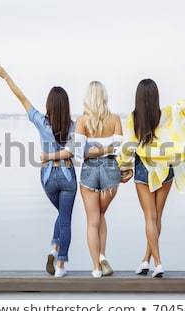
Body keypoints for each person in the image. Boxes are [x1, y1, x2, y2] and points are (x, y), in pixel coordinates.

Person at [119, 67, 185, 277]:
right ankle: (146, 260)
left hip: (143, 168)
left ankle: (157, 262)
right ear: (156, 97)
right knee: (157, 217)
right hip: (165, 167)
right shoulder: (168, 113)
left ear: (138, 98)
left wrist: (123, 169)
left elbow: (127, 147)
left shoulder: (132, 119)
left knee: (149, 218)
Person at [0, 62, 77, 278]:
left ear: (49, 104)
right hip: (67, 175)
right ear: (66, 105)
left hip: (48, 177)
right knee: (65, 218)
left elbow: (22, 97)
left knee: (61, 215)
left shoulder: (40, 121)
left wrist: (6, 77)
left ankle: (53, 249)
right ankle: (60, 266)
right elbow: (72, 152)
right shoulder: (74, 126)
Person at [47, 81, 123, 278]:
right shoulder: (115, 119)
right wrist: (123, 167)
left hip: (89, 172)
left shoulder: (81, 121)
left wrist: (94, 151)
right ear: (104, 97)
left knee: (92, 221)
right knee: (101, 216)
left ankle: (97, 267)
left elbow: (80, 154)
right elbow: (121, 150)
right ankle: (103, 255)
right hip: (110, 169)